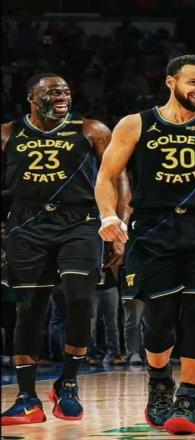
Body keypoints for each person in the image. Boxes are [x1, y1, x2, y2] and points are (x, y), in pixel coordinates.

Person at [95, 55, 195, 435]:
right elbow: (107, 175)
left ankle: (189, 400)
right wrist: (108, 215)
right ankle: (159, 382)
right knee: (159, 320)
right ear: (171, 82)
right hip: (154, 228)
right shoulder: (136, 123)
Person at [1, 73, 129, 425]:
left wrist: (120, 223)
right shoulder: (9, 133)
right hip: (27, 224)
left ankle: (68, 383)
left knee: (80, 299)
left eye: (65, 91)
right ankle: (27, 398)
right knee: (29, 309)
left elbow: (116, 176)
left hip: (81, 221)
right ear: (31, 98)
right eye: (52, 92)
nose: (61, 97)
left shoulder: (91, 130)